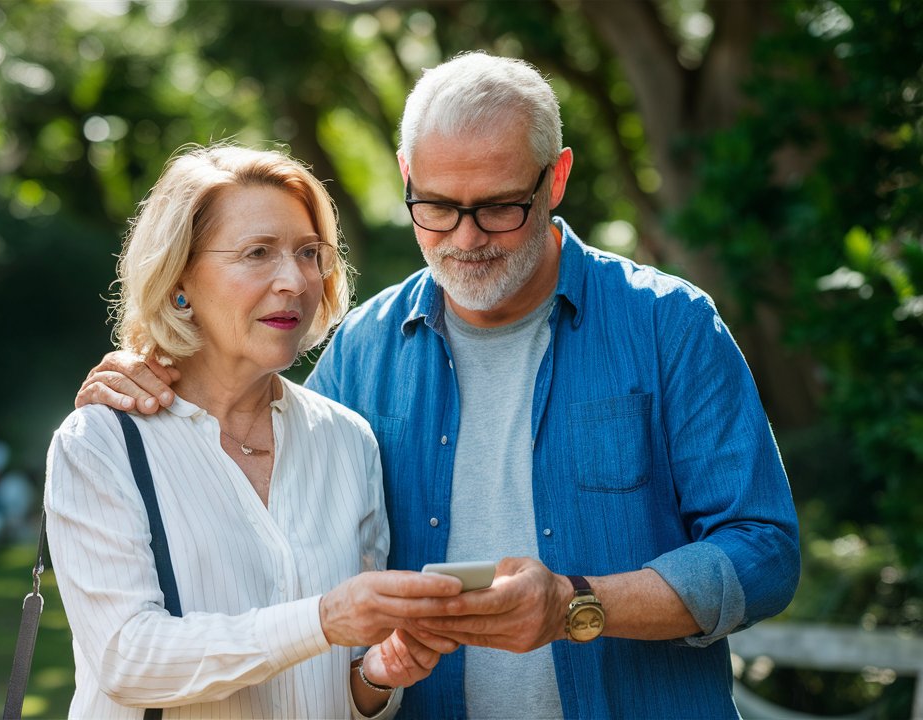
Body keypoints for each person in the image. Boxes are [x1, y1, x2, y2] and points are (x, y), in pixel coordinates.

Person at [75, 52, 801, 718]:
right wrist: (151, 377)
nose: (464, 238)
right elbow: (255, 432)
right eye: (437, 207)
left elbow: (763, 550)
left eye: (497, 208)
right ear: (405, 176)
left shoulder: (667, 325)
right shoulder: (363, 350)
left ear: (556, 178)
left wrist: (578, 604)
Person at [46, 144, 465, 719]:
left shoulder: (348, 441)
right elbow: (127, 659)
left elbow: (339, 690)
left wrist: (376, 675)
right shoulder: (100, 442)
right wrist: (320, 621)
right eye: (258, 253)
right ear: (178, 279)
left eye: (309, 253)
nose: (294, 280)